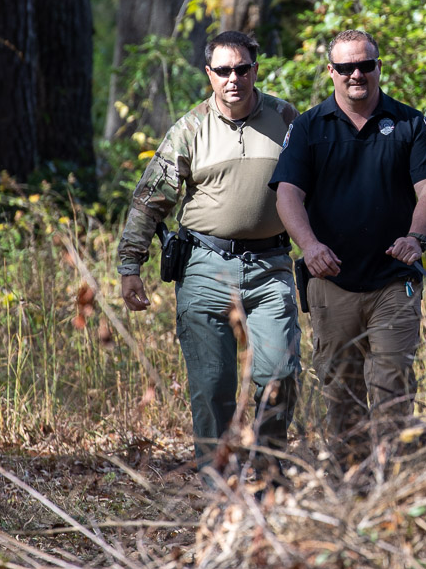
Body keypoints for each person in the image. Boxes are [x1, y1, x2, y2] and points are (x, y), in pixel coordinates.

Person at [117, 31, 300, 482]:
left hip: (271, 266)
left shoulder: (285, 118)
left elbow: (315, 184)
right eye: (223, 70)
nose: (233, 78)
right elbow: (150, 199)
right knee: (212, 383)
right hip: (205, 266)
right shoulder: (190, 128)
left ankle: (269, 473)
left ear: (255, 70)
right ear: (209, 74)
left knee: (279, 373)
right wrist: (130, 265)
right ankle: (218, 482)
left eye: (242, 69)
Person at [270, 30, 426, 465]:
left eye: (365, 65)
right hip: (331, 280)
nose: (356, 74)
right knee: (340, 391)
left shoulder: (409, 123)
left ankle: (392, 477)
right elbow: (287, 194)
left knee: (392, 384)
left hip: (394, 279)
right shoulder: (308, 127)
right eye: (346, 67)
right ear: (331, 71)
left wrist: (415, 237)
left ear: (378, 68)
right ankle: (351, 480)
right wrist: (309, 246)